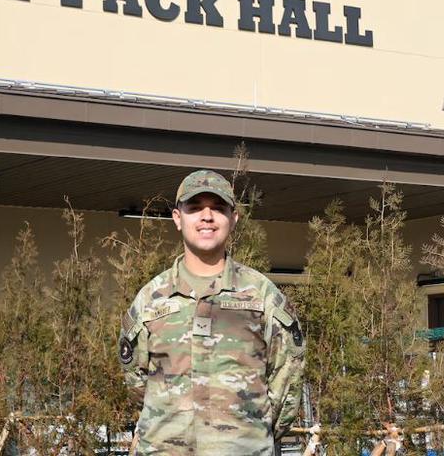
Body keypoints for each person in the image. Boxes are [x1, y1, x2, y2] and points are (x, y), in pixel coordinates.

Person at [119, 169, 305, 455]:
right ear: (178, 219)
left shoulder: (263, 296)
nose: (207, 217)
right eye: (195, 208)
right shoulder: (151, 299)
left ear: (233, 218)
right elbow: (136, 382)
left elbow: (286, 381)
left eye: (218, 208)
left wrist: (247, 435)